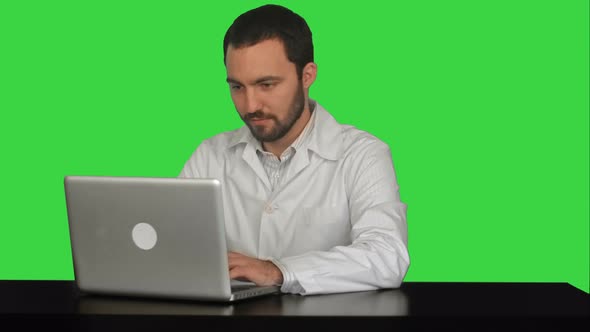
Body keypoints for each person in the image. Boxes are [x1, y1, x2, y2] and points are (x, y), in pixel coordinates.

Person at [179, 4, 409, 295]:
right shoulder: (210, 155)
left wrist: (277, 270)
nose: (250, 106)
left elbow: (387, 257)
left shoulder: (362, 154)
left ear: (307, 75)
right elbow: (173, 246)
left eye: (267, 84)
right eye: (237, 87)